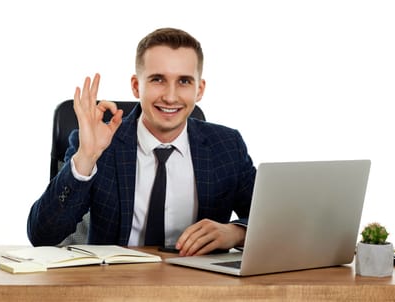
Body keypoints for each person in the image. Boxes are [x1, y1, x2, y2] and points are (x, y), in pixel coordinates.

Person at [27, 28, 256, 256]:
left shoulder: (227, 146)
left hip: (197, 286)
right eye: (158, 80)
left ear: (200, 89)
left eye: (184, 81)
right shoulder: (102, 146)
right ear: (136, 86)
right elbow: (43, 235)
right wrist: (87, 155)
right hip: (115, 284)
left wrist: (237, 232)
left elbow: (276, 222)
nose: (170, 96)